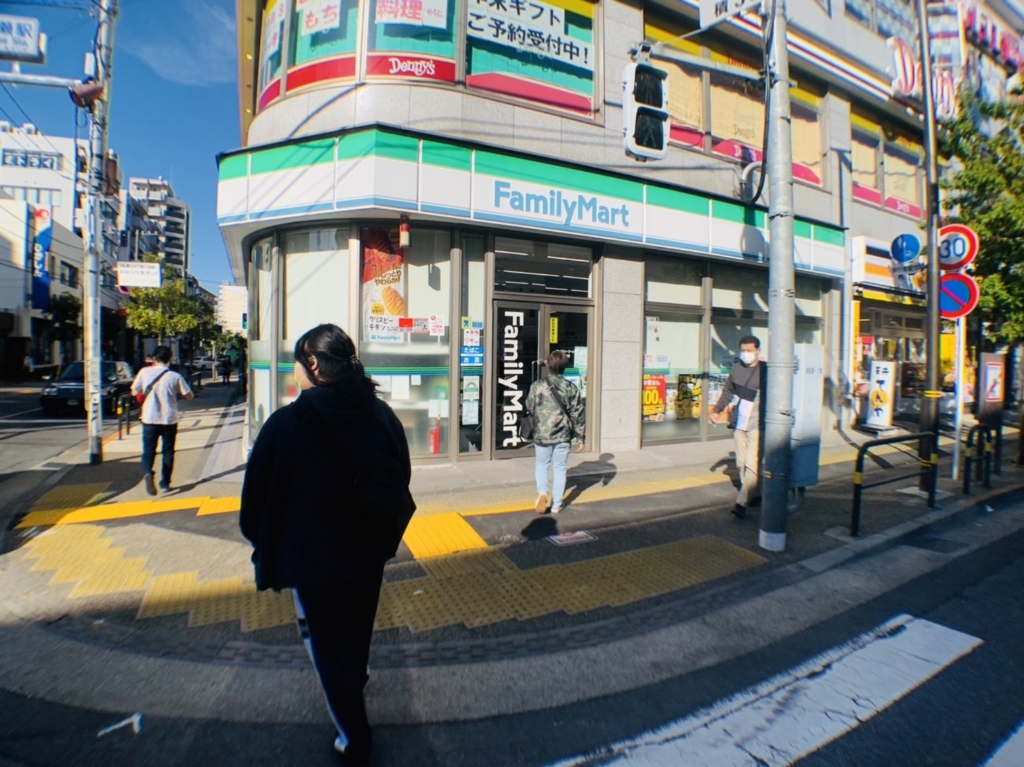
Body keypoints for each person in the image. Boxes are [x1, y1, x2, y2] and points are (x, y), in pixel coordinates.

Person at [239, 324, 416, 767]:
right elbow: (400, 477)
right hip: (368, 553)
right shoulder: (382, 416)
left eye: (298, 364)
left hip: (312, 563)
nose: (296, 372)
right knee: (356, 632)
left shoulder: (284, 425)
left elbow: (253, 509)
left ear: (313, 366)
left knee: (326, 649)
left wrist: (271, 543)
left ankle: (353, 739)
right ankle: (354, 677)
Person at [710, 335, 765, 519]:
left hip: (757, 425)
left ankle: (741, 503)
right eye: (743, 350)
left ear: (758, 351)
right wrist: (717, 410)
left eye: (750, 350)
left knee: (751, 465)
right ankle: (753, 493)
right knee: (741, 464)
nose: (746, 354)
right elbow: (728, 392)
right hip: (739, 424)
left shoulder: (766, 371)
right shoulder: (736, 369)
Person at [526, 349, 586, 515]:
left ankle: (542, 493)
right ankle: (556, 505)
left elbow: (529, 407)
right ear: (564, 367)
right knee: (560, 468)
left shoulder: (537, 386)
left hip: (542, 434)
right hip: (563, 435)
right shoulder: (570, 387)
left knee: (542, 464)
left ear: (548, 365)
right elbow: (578, 414)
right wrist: (581, 438)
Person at [130, 345, 194, 496]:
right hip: (169, 419)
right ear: (169, 359)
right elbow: (189, 395)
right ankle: (165, 483)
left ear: (154, 358)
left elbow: (134, 391)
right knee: (168, 451)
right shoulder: (174, 376)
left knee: (148, 450)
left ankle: (148, 473)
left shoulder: (144, 372)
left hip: (149, 418)